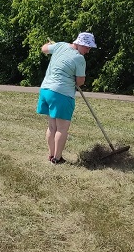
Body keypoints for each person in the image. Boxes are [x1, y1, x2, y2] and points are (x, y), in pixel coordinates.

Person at [37, 32, 97, 164]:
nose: (88, 51)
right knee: (61, 128)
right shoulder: (79, 58)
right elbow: (80, 81)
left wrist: (51, 44)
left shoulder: (60, 46)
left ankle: (51, 155)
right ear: (80, 43)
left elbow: (44, 49)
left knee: (52, 127)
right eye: (87, 47)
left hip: (46, 90)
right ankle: (57, 159)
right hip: (61, 94)